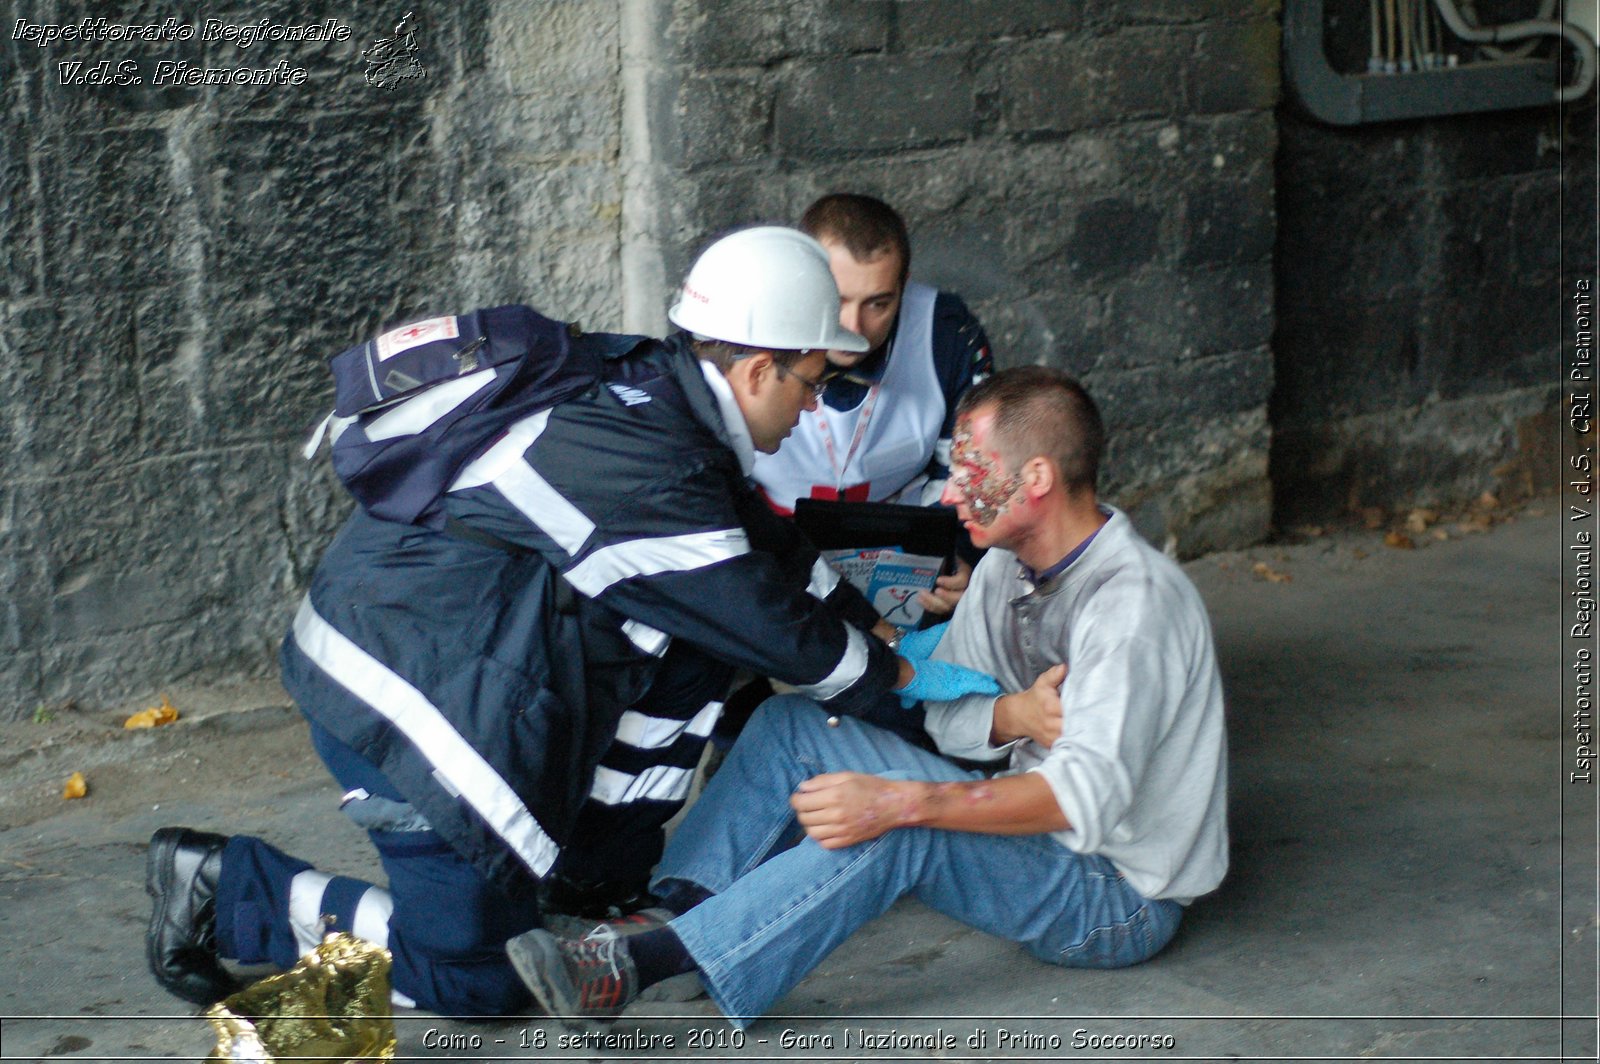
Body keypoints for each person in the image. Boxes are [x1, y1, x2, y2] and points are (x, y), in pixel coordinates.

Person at [143, 227, 1003, 1017]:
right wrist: (917, 690)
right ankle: (227, 887)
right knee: (481, 977)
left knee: (689, 660)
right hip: (407, 697)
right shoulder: (648, 469)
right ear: (756, 371)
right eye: (811, 384)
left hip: (443, 655)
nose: (814, 407)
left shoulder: (653, 400)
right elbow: (777, 628)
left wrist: (877, 621)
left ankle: (581, 879)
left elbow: (771, 550)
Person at [506, 367, 1229, 1029]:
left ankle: (640, 969)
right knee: (791, 723)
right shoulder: (1008, 571)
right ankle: (672, 917)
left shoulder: (1133, 608)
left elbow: (1082, 800)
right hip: (1038, 830)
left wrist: (903, 801)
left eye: (970, 470)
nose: (949, 493)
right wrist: (1007, 716)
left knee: (898, 822)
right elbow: (939, 709)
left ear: (1036, 476)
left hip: (1114, 894)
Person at [752, 193, 994, 618]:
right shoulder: (744, 327)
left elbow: (969, 468)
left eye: (879, 304)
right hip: (770, 549)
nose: (853, 326)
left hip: (907, 554)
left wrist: (959, 557)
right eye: (837, 298)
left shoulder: (948, 336)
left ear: (904, 286)